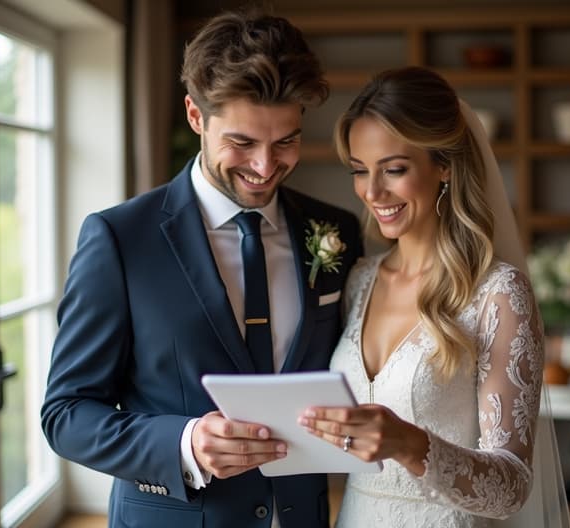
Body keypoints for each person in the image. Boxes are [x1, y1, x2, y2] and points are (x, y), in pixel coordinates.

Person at [40, 8, 362, 528]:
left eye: (286, 141)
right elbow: (67, 414)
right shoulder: (120, 239)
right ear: (196, 116)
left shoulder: (335, 230)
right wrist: (184, 443)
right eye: (242, 142)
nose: (264, 166)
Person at [298, 66, 570, 527]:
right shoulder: (360, 280)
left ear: (443, 165)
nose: (373, 192)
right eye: (360, 172)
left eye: (395, 170)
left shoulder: (498, 294)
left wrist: (409, 444)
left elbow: (511, 486)